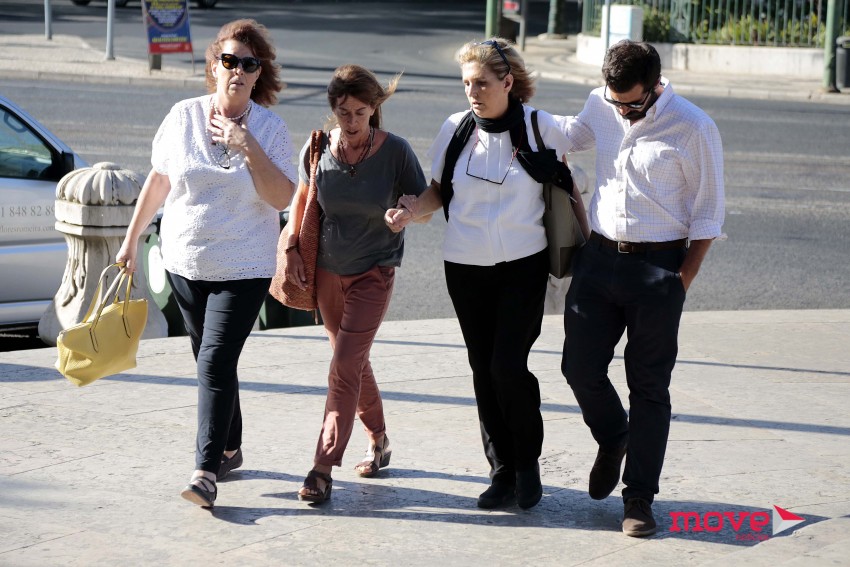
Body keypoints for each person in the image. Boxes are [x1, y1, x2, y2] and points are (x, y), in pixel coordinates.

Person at [385, 38, 588, 510]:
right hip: (464, 266)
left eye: (481, 83)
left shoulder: (541, 126)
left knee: (507, 366)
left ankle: (527, 464)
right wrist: (411, 211)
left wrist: (589, 246)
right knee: (482, 368)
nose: (472, 92)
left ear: (508, 82)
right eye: (466, 84)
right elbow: (438, 190)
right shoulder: (455, 128)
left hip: (524, 265)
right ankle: (501, 471)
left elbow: (573, 174)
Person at [116, 19, 297, 508]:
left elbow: (281, 196)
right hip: (185, 262)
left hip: (244, 267)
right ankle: (231, 447)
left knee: (214, 361)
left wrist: (246, 145)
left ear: (258, 75)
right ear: (214, 65)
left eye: (249, 64)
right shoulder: (182, 116)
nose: (238, 70)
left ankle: (205, 472)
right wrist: (131, 240)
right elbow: (159, 180)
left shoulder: (270, 130)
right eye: (230, 60)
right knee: (211, 359)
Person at [556, 40, 725, 536]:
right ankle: (614, 436)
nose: (623, 112)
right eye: (616, 102)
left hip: (659, 267)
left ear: (655, 86)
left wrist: (680, 281)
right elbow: (570, 136)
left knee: (649, 386)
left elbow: (709, 214)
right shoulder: (601, 103)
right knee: (578, 367)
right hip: (598, 258)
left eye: (632, 104)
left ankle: (638, 499)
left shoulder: (694, 126)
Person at [285, 65, 427, 503]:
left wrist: (406, 213)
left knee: (344, 366)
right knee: (353, 363)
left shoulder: (396, 151)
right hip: (328, 272)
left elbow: (424, 204)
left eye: (360, 113)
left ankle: (322, 466)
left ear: (374, 109)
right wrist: (291, 248)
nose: (351, 122)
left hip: (374, 271)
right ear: (334, 109)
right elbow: (302, 201)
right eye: (343, 112)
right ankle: (379, 439)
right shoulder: (318, 148)